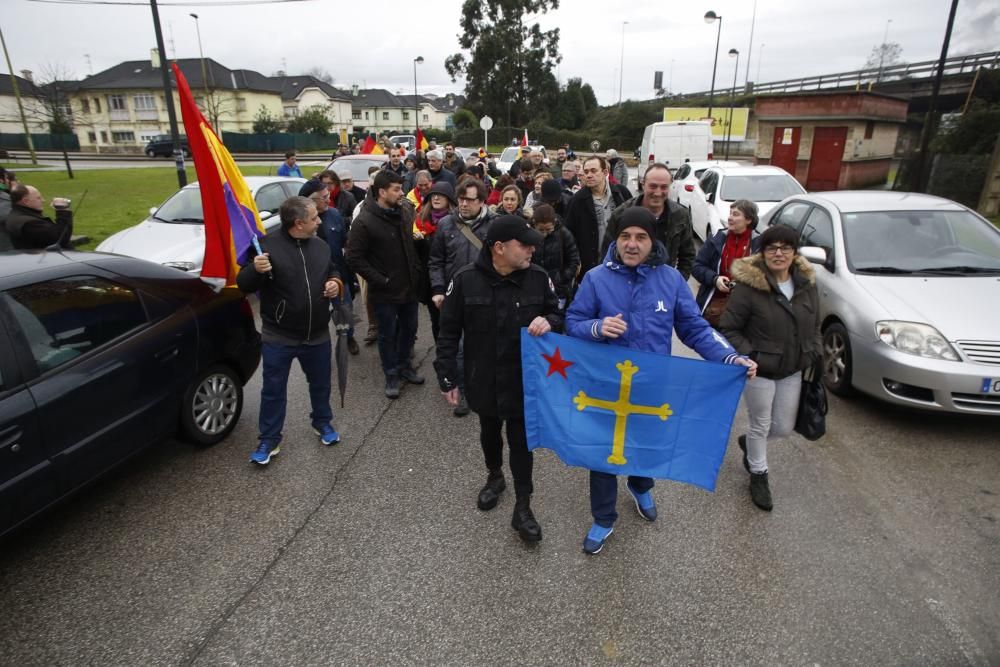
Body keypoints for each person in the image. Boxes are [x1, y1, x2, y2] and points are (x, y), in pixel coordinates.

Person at [566, 207, 757, 554]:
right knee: (603, 455)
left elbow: (694, 328)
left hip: (653, 387)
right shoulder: (595, 278)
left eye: (641, 237)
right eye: (625, 236)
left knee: (645, 447)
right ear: (616, 239)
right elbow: (573, 320)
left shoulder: (670, 279)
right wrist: (596, 328)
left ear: (652, 241)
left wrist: (729, 357)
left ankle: (641, 485)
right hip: (606, 387)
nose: (632, 244)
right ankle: (604, 517)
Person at [434, 215, 563, 544]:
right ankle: (494, 477)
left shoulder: (537, 277)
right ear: (499, 248)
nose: (532, 249)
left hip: (524, 379)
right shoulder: (465, 280)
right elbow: (448, 331)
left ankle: (523, 507)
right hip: (484, 376)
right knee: (490, 432)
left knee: (522, 442)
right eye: (524, 244)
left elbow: (558, 314)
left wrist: (548, 320)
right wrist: (447, 375)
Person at [719, 224, 820, 512]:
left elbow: (815, 325)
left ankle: (749, 444)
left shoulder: (806, 284)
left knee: (783, 428)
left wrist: (813, 351)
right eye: (771, 247)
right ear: (762, 252)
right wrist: (750, 356)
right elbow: (729, 328)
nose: (779, 253)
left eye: (785, 247)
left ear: (794, 252)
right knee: (761, 424)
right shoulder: (751, 288)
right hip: (759, 370)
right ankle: (759, 475)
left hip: (793, 369)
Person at [237, 196, 344, 465]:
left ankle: (322, 423)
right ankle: (269, 439)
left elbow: (333, 271)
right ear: (298, 223)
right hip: (279, 336)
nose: (320, 220)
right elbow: (244, 284)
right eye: (314, 218)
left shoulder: (320, 246)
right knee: (273, 390)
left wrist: (334, 283)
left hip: (317, 333)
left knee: (320, 384)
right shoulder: (266, 247)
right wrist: (254, 269)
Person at [346, 171, 424, 399]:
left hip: (409, 287)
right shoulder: (364, 221)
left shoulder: (404, 211)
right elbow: (353, 258)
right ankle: (391, 374)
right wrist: (381, 280)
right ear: (382, 192)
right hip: (385, 292)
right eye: (396, 189)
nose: (402, 193)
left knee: (410, 330)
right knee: (387, 335)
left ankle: (405, 367)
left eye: (401, 188)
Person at [429, 178, 497, 417]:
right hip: (454, 296)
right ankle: (464, 393)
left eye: (469, 200)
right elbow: (436, 261)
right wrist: (438, 290)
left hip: (486, 297)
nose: (463, 204)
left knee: (484, 346)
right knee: (458, 347)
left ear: (481, 201)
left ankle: (485, 385)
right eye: (460, 199)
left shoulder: (495, 225)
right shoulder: (446, 224)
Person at [600, 163, 696, 280]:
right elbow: (607, 253)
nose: (658, 192)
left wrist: (676, 282)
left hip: (664, 285)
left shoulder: (680, 215)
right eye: (653, 186)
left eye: (664, 187)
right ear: (643, 184)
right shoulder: (621, 214)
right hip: (628, 282)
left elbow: (688, 256)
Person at [692, 199, 762, 327]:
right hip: (714, 307)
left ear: (748, 220)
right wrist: (715, 279)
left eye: (735, 214)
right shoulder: (717, 239)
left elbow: (766, 277)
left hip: (745, 310)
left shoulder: (759, 244)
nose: (730, 218)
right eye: (730, 214)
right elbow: (697, 266)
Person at [309, 189, 359, 355]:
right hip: (313, 279)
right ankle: (320, 346)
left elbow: (344, 242)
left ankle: (347, 337)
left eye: (328, 196)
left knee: (345, 309)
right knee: (317, 315)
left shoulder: (334, 214)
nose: (328, 200)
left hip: (338, 273)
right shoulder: (303, 222)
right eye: (324, 197)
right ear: (311, 200)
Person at [563, 156, 630, 276]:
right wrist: (575, 260)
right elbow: (568, 234)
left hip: (621, 261)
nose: (589, 175)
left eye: (593, 171)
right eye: (586, 171)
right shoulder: (577, 200)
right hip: (591, 264)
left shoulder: (621, 193)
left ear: (605, 172)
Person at [414, 181, 456, 341]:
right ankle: (441, 353)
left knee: (452, 320)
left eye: (441, 195)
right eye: (433, 195)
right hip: (430, 279)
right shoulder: (420, 220)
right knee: (436, 321)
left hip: (452, 277)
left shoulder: (457, 221)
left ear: (449, 199)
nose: (436, 197)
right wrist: (418, 243)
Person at [530, 203, 579, 308]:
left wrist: (562, 279)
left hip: (559, 288)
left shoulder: (564, 234)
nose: (544, 234)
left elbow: (574, 260)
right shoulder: (529, 234)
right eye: (541, 230)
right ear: (534, 224)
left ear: (554, 223)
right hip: (534, 286)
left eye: (548, 230)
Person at [5, 184, 74, 250]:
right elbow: (60, 238)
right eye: (38, 198)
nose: (43, 200)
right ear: (25, 201)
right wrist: (63, 211)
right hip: (49, 260)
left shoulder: (19, 215)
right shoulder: (29, 223)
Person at [0, 168, 17, 251]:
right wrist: (16, 196)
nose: (8, 181)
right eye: (6, 178)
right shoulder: (5, 200)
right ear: (1, 180)